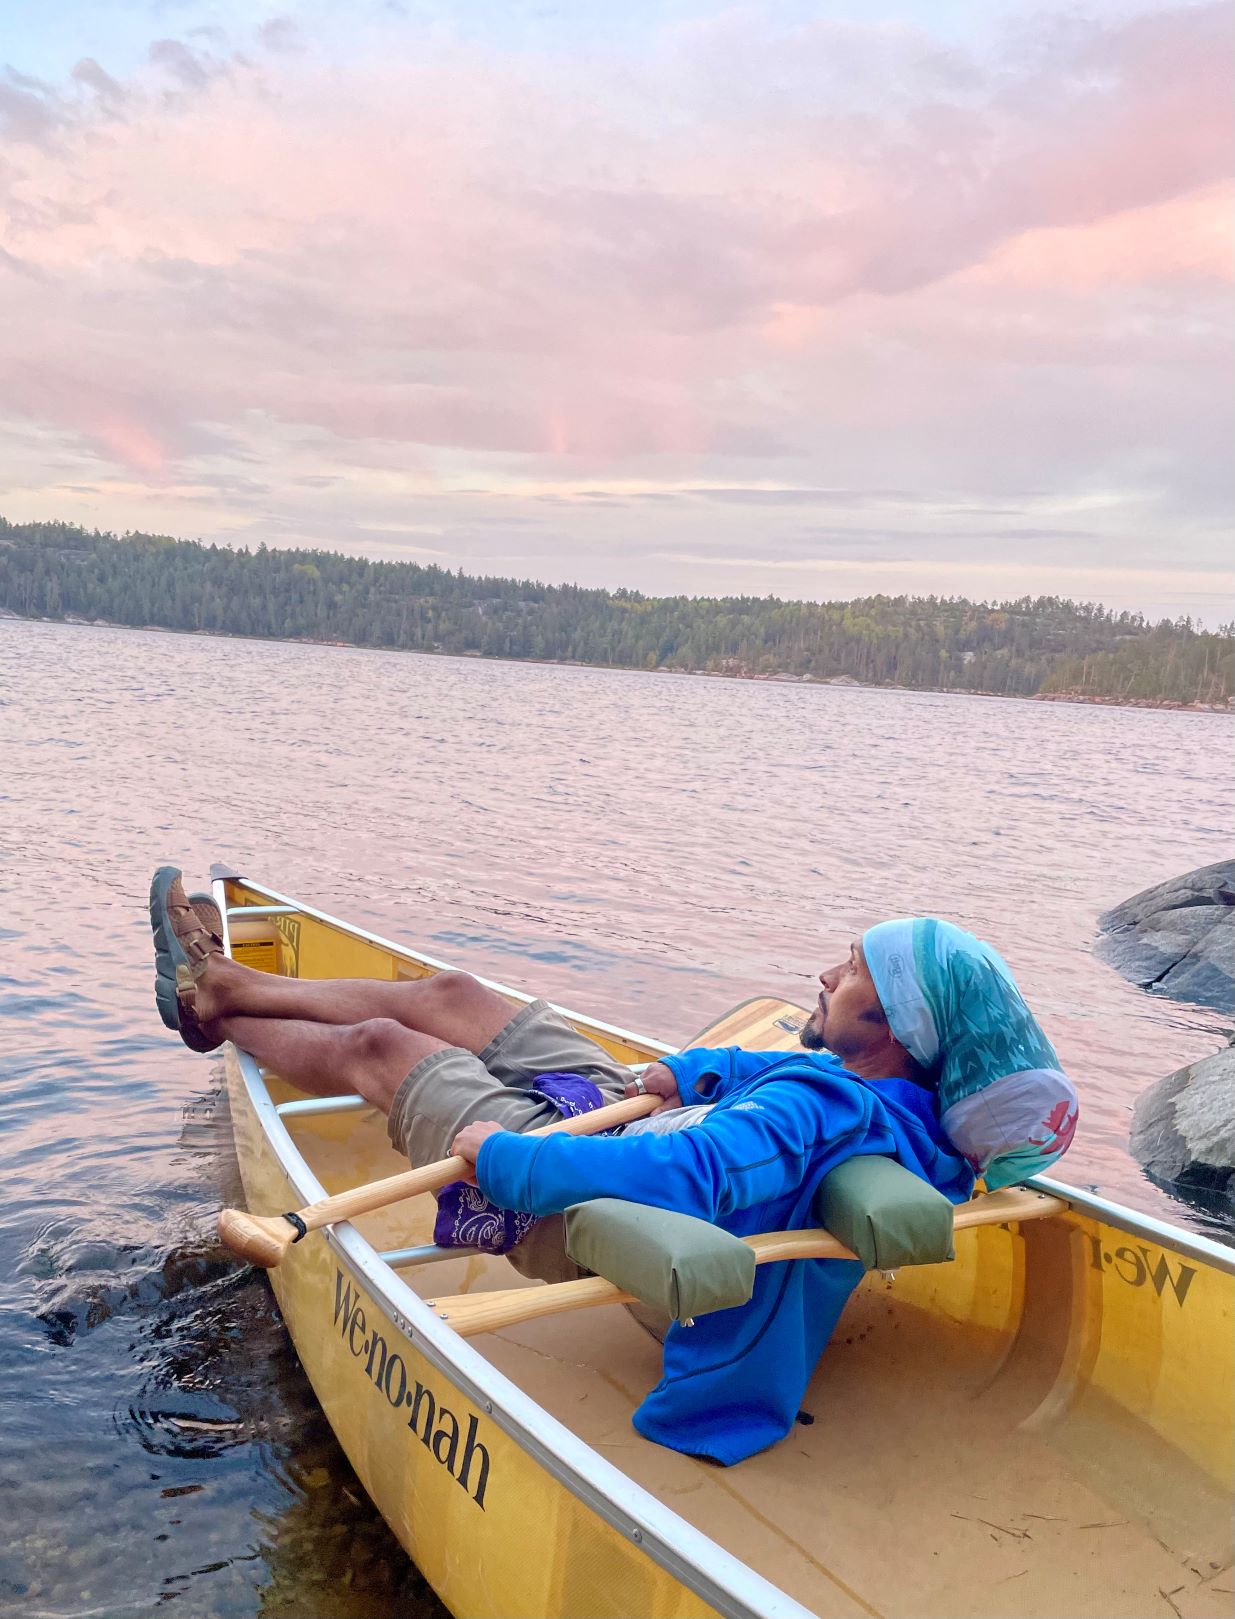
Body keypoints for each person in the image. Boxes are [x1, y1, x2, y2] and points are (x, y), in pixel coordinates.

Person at [149, 869, 1078, 1464]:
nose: (824, 976)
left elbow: (690, 1176)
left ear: (894, 1025)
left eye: (850, 972)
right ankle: (228, 982)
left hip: (587, 1183)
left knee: (385, 1047)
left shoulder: (819, 1112)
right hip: (633, 1125)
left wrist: (509, 1159)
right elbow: (789, 1077)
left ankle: (216, 1016)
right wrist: (694, 1069)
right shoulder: (901, 1096)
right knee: (458, 996)